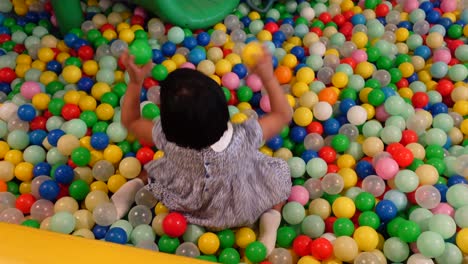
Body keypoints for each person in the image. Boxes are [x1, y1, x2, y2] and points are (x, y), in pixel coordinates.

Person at [111, 47, 292, 255]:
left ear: (168, 124)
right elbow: (282, 114)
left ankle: (136, 185)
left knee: (156, 169)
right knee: (278, 173)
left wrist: (135, 82)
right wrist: (268, 77)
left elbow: (130, 121)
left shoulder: (166, 138)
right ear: (223, 110)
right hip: (238, 207)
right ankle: (270, 223)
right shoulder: (244, 138)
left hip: (188, 203)